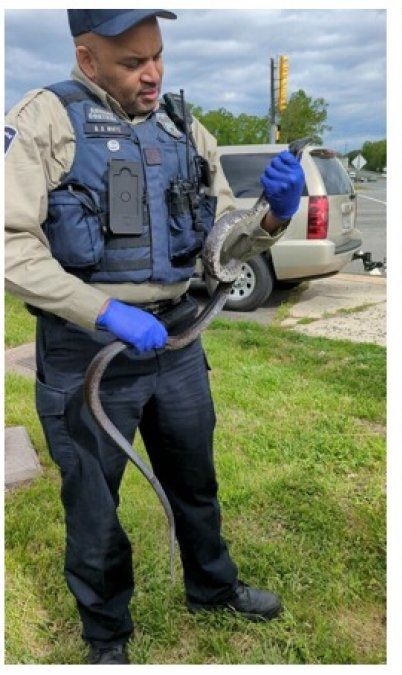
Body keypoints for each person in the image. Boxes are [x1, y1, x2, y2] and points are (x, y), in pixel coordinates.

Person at [4, 10, 305, 664]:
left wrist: (274, 215)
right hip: (88, 353)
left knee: (195, 480)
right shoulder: (42, 121)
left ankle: (213, 588)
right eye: (132, 62)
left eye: (158, 56)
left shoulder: (182, 127)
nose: (153, 73)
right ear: (87, 59)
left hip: (177, 346)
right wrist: (102, 310)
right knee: (94, 508)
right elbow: (8, 246)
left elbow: (223, 240)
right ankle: (106, 636)